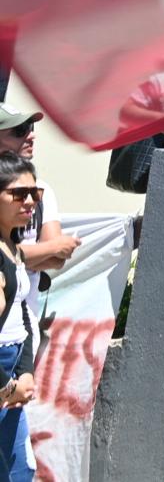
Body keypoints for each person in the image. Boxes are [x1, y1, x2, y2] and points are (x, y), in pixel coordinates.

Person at [0, 106, 80, 353]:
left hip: (23, 328)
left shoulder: (43, 189)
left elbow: (56, 260)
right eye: (21, 130)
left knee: (22, 390)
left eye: (32, 128)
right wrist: (51, 247)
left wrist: (28, 254)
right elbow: (56, 248)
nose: (32, 136)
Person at [0, 154, 37, 482]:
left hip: (12, 371)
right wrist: (6, 385)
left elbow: (21, 313)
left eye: (34, 194)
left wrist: (24, 374)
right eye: (18, 193)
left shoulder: (13, 244)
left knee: (19, 471)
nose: (29, 201)